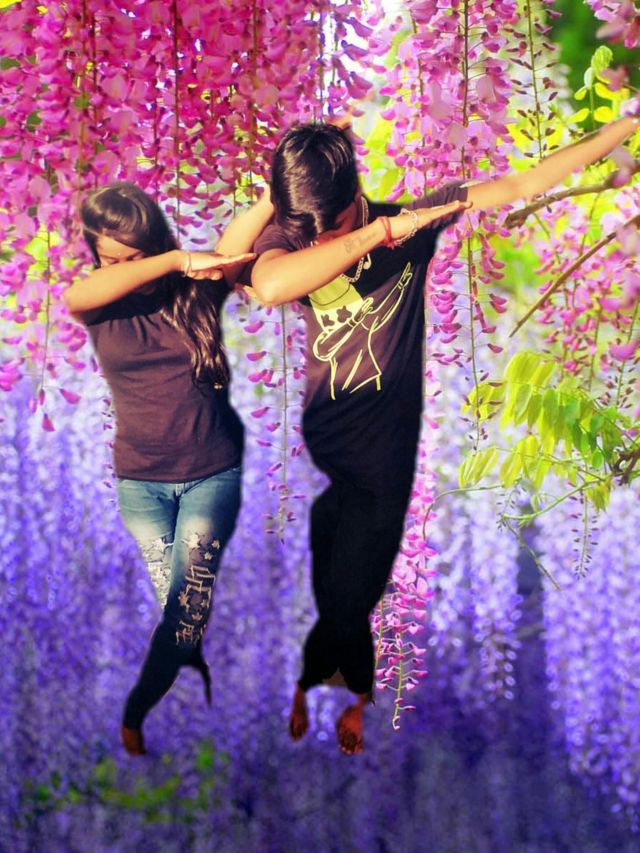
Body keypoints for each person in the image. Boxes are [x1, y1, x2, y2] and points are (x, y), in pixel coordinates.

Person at [250, 114, 640, 755]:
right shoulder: (300, 232)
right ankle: (339, 689)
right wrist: (356, 223)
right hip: (331, 438)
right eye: (309, 228)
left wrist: (623, 124)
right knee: (346, 580)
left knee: (347, 582)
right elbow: (268, 285)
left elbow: (526, 182)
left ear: (354, 196)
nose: (319, 240)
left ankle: (333, 690)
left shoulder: (414, 222)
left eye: (332, 225)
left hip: (383, 451)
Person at [64, 182, 273, 756]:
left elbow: (231, 250)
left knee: (185, 611)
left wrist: (273, 195)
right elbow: (78, 295)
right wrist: (176, 258)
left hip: (211, 471)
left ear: (153, 242)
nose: (126, 268)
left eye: (135, 255)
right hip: (141, 486)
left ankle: (136, 711)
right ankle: (192, 664)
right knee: (179, 610)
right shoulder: (101, 304)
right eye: (112, 259)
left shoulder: (193, 292)